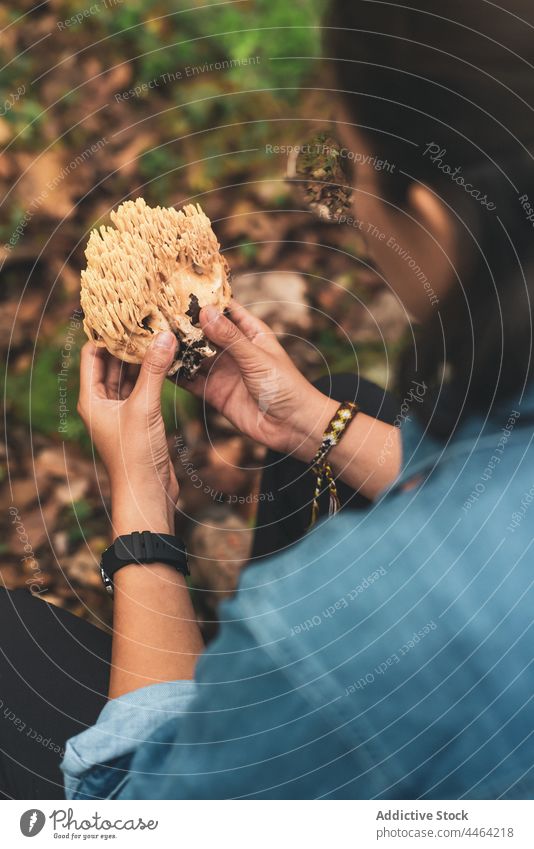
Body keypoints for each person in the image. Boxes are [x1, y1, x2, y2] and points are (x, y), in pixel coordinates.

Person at [2, 0, 534, 799]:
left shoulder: (347, 620)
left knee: (17, 631)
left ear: (430, 215)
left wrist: (143, 524)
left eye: (350, 166)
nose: (348, 200)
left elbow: (138, 816)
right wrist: (314, 421)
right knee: (348, 401)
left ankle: (223, 668)